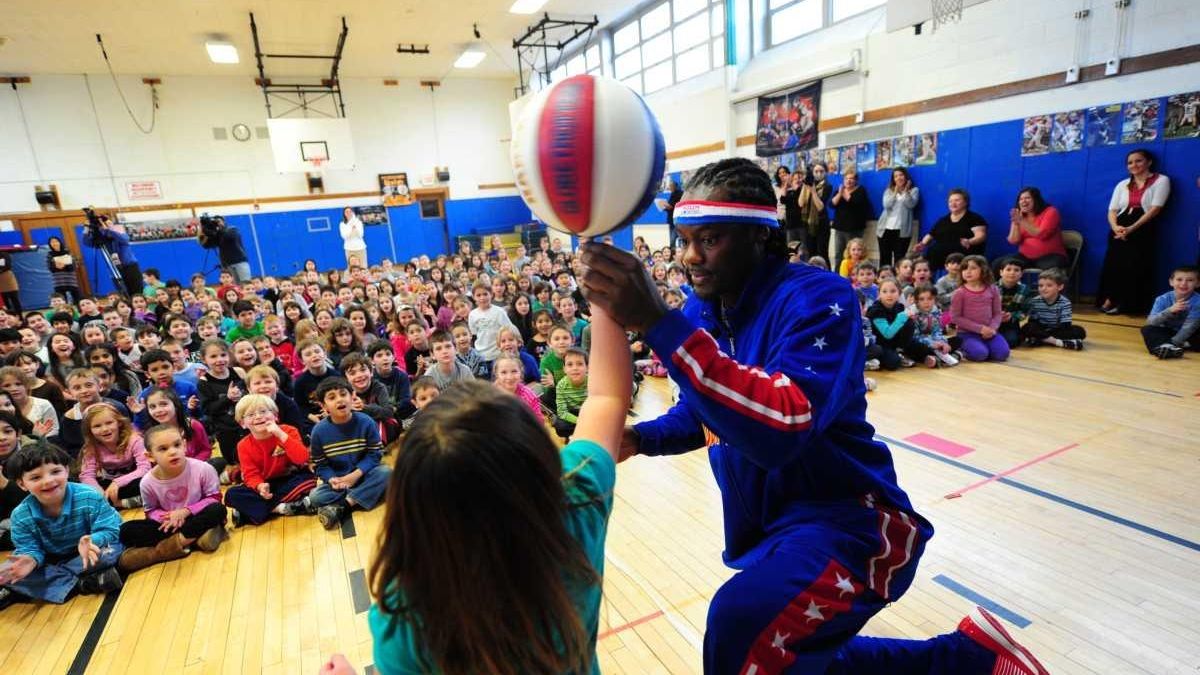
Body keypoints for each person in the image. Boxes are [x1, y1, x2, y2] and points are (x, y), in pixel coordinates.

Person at [577, 158, 1045, 674]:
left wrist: (657, 322)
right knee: (782, 656)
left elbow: (783, 425)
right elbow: (705, 412)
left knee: (740, 624)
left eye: (708, 239)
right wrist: (642, 438)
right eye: (684, 240)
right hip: (776, 526)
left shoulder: (820, 298)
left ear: (759, 235)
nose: (690, 256)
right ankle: (972, 659)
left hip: (852, 521)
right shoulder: (699, 314)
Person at [329, 296, 630, 675]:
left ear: (412, 499)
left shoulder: (405, 616)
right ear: (536, 455)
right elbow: (606, 397)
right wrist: (604, 296)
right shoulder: (576, 504)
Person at [0, 441, 125, 609]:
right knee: (9, 571)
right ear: (22, 484)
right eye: (36, 477)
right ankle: (85, 583)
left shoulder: (89, 495)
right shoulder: (20, 515)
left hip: (88, 552)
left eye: (55, 471)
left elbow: (111, 529)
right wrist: (30, 559)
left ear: (66, 470)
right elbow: (29, 548)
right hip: (53, 557)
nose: (48, 481)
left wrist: (93, 540)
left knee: (111, 550)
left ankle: (59, 582)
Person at [115, 425, 228, 573]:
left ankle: (166, 549)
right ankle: (195, 538)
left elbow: (214, 498)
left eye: (177, 445)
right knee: (126, 531)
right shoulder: (147, 482)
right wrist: (167, 518)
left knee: (218, 510)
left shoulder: (203, 468)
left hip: (197, 515)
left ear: (184, 445)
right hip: (171, 524)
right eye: (163, 449)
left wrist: (186, 511)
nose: (173, 451)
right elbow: (150, 511)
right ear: (150, 456)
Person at [306, 378, 392, 530]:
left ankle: (343, 505)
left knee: (386, 472)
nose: (339, 399)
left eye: (343, 394)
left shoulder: (366, 422)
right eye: (332, 397)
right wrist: (332, 479)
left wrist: (355, 475)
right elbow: (321, 465)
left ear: (352, 397)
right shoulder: (318, 432)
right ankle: (362, 495)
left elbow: (375, 454)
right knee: (315, 496)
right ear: (323, 406)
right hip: (340, 481)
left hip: (365, 474)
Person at [222, 394, 316, 526]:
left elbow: (302, 458)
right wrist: (260, 486)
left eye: (263, 411)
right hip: (266, 484)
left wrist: (280, 434)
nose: (258, 416)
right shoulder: (243, 445)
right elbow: (250, 474)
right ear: (243, 423)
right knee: (232, 494)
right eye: (251, 415)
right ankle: (280, 508)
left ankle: (249, 513)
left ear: (275, 416)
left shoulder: (288, 431)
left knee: (308, 481)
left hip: (290, 478)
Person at [1097, 149, 1172, 315]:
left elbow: (1155, 209)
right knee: (1114, 264)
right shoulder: (1122, 184)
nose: (1134, 165)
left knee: (1134, 266)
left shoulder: (1161, 180)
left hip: (1142, 227)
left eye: (1138, 161)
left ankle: (1126, 304)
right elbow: (1112, 210)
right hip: (1120, 227)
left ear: (1149, 162)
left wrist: (1131, 228)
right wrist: (1115, 227)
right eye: (1130, 162)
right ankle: (1110, 298)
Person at [78, 403, 149, 509]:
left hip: (132, 481)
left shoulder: (134, 440)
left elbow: (145, 468)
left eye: (109, 423)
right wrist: (99, 493)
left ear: (119, 422)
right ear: (90, 430)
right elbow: (86, 475)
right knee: (83, 491)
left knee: (146, 482)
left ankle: (120, 503)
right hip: (108, 485)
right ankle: (114, 502)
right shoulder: (91, 447)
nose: (105, 429)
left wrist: (117, 482)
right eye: (97, 426)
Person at [951, 255, 1009, 362]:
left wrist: (992, 329)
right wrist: (980, 329)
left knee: (1002, 354)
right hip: (967, 333)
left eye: (973, 268)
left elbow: (997, 313)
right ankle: (962, 349)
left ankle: (983, 347)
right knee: (980, 354)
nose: (968, 271)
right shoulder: (959, 293)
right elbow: (955, 318)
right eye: (965, 268)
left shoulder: (993, 289)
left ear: (983, 270)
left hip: (989, 332)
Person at [914, 189, 988, 270]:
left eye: (957, 200)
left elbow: (981, 236)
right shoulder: (942, 220)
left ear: (966, 202)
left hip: (963, 260)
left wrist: (970, 241)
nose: (953, 203)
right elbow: (930, 235)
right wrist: (923, 244)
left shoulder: (975, 218)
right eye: (950, 201)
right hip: (938, 261)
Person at [867, 279, 933, 369]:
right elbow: (887, 334)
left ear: (899, 293)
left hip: (897, 342)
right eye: (884, 291)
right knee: (893, 362)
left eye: (893, 291)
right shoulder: (875, 310)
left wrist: (910, 318)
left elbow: (906, 330)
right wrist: (902, 317)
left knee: (925, 348)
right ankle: (902, 355)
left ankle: (905, 352)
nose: (889, 295)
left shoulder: (899, 307)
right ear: (879, 294)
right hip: (881, 344)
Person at [1141, 264, 1200, 358]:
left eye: (1190, 280)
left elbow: (1189, 327)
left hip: (1191, 333)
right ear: (1171, 282)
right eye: (1179, 279)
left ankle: (1167, 346)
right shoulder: (1162, 299)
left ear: (1197, 284)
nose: (1184, 283)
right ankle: (1173, 347)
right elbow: (1150, 322)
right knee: (1147, 329)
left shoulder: (1198, 302)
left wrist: (1173, 343)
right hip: (1169, 332)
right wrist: (1170, 310)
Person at [1021, 268, 1086, 350]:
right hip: (1041, 328)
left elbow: (1066, 325)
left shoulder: (1065, 302)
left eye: (1049, 285)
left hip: (1058, 329)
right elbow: (1032, 321)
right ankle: (1059, 342)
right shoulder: (1035, 301)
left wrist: (1043, 334)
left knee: (1080, 331)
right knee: (1027, 328)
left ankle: (1040, 339)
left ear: (1060, 287)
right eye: (1040, 286)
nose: (1043, 288)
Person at [1006, 187, 1068, 270]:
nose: (1023, 201)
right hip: (1025, 257)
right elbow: (1014, 241)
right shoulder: (1020, 216)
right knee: (999, 264)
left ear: (1036, 199)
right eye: (1021, 199)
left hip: (1051, 256)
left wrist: (1021, 220)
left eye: (1027, 198)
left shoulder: (1050, 211)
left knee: (1049, 268)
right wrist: (1015, 223)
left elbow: (1042, 234)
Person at [82, 214, 144, 297]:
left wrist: (107, 228)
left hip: (130, 267)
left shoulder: (120, 234)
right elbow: (87, 242)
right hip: (115, 269)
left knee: (137, 292)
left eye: (107, 223)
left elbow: (124, 239)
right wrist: (86, 228)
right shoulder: (103, 240)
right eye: (101, 225)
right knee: (124, 294)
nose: (103, 226)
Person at [830, 170, 872, 274]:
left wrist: (845, 193)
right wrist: (840, 193)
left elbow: (855, 203)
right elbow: (831, 204)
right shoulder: (839, 190)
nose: (848, 181)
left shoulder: (860, 190)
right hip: (840, 228)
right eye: (846, 178)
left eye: (851, 178)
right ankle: (837, 275)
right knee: (838, 254)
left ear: (856, 180)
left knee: (854, 255)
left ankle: (854, 275)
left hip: (854, 229)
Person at [876, 168, 920, 268]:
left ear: (905, 177)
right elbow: (886, 205)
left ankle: (898, 277)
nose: (898, 178)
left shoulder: (914, 190)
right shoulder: (889, 191)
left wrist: (906, 191)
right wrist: (895, 192)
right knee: (885, 258)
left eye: (901, 175)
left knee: (899, 259)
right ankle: (885, 276)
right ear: (893, 179)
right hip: (885, 229)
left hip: (902, 231)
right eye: (896, 176)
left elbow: (911, 204)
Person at [197, 215, 251, 283]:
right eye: (215, 222)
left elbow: (229, 236)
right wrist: (202, 231)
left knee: (246, 283)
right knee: (234, 286)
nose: (217, 223)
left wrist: (215, 232)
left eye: (218, 221)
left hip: (240, 261)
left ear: (224, 222)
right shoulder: (217, 235)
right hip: (227, 264)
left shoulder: (232, 229)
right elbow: (206, 245)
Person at [995, 258, 1032, 348]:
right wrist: (997, 316)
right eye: (1008, 269)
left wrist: (1012, 316)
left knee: (1012, 342)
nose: (1012, 273)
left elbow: (1025, 311)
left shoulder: (1025, 290)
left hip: (1011, 323)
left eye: (1016, 270)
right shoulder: (992, 288)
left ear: (1021, 274)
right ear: (1001, 272)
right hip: (992, 322)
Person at [45, 236, 80, 306]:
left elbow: (73, 265)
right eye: (52, 242)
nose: (54, 243)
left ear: (60, 242)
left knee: (76, 296)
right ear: (50, 244)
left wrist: (65, 265)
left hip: (70, 277)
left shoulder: (67, 252)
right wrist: (56, 266)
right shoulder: (49, 254)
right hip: (58, 279)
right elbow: (49, 267)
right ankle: (63, 311)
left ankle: (79, 310)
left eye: (56, 241)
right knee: (61, 298)